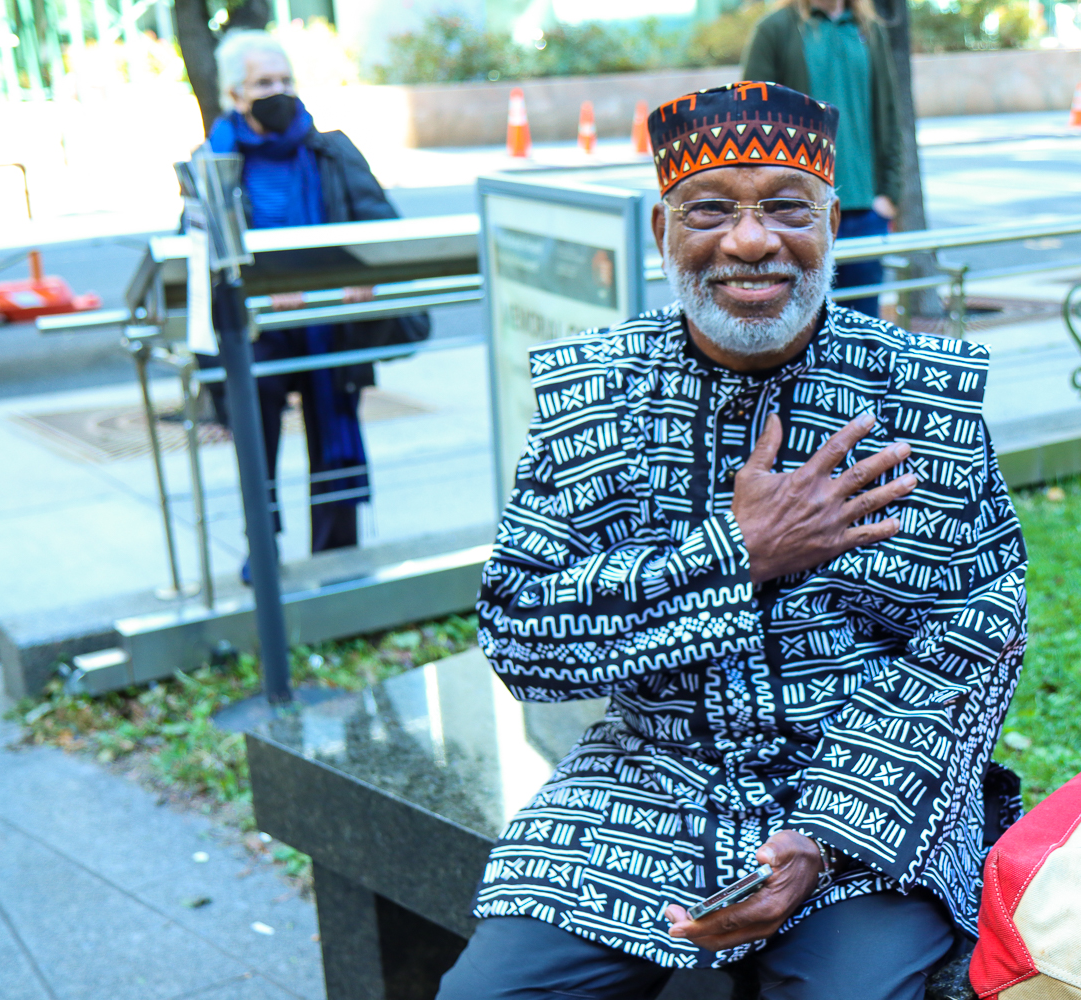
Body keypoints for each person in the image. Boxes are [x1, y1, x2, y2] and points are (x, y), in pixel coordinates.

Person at [437, 83, 1027, 1000]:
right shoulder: (593, 391)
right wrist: (732, 555)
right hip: (647, 785)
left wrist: (825, 839)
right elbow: (518, 639)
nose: (751, 242)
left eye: (785, 207)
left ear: (832, 221)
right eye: (711, 208)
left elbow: (977, 637)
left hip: (870, 799)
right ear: (661, 231)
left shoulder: (924, 394)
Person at [203, 30, 426, 575]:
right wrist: (259, 287)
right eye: (263, 84)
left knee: (334, 428)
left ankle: (338, 557)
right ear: (235, 95)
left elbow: (381, 226)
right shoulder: (213, 161)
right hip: (259, 326)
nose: (278, 92)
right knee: (256, 434)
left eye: (285, 80)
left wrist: (358, 273)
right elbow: (200, 250)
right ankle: (264, 545)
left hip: (330, 322)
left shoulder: (331, 149)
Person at [741, 0, 903, 318]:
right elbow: (750, 119)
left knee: (863, 325)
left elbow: (889, 114)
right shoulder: (776, 29)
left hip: (865, 210)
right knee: (801, 324)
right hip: (799, 214)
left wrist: (890, 195)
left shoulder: (869, 29)